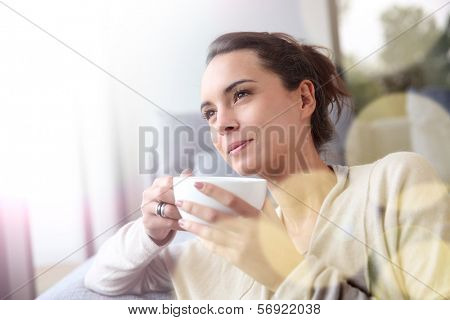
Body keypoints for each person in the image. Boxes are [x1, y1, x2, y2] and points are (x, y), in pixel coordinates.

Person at [84, 32, 449, 299]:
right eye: (209, 113)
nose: (220, 123)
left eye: (240, 94)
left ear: (304, 98)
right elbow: (103, 277)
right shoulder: (220, 239)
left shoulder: (394, 182)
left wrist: (286, 269)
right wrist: (150, 231)